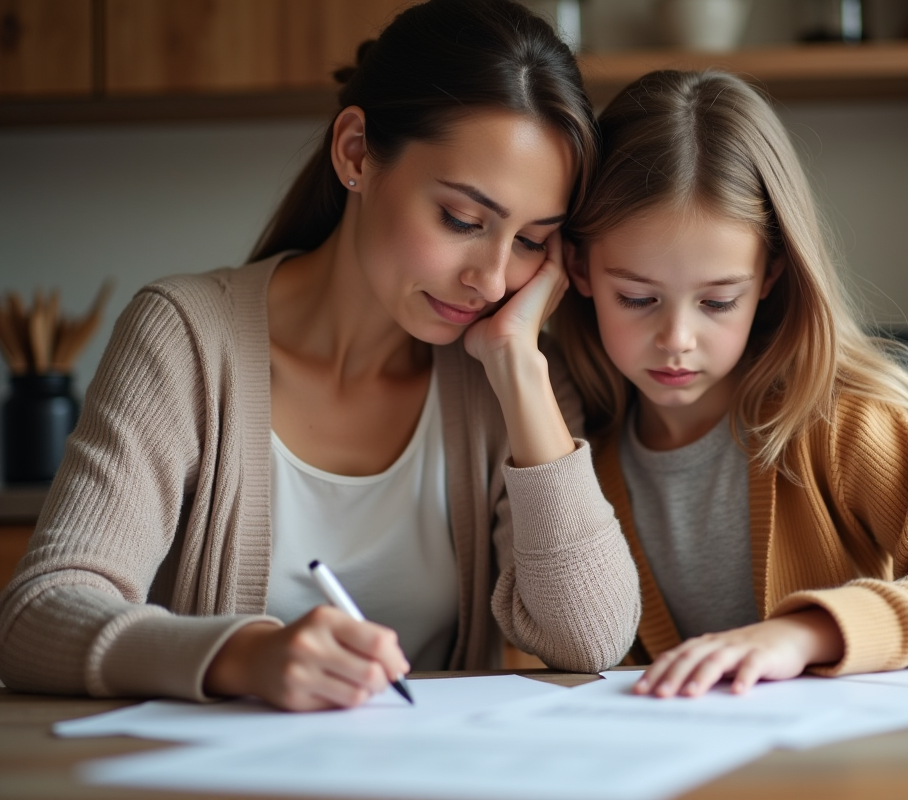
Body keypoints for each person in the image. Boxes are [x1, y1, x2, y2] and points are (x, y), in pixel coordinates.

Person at [0, 0, 640, 711]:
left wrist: (519, 366)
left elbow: (591, 640)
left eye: (529, 241)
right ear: (356, 153)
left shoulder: (508, 379)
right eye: (462, 219)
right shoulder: (185, 337)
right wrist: (241, 655)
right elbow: (37, 616)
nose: (492, 280)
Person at [554, 69, 908, 698]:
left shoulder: (841, 423)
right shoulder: (574, 448)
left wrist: (804, 634)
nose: (676, 338)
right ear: (578, 268)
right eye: (638, 297)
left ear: (770, 277)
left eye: (718, 301)